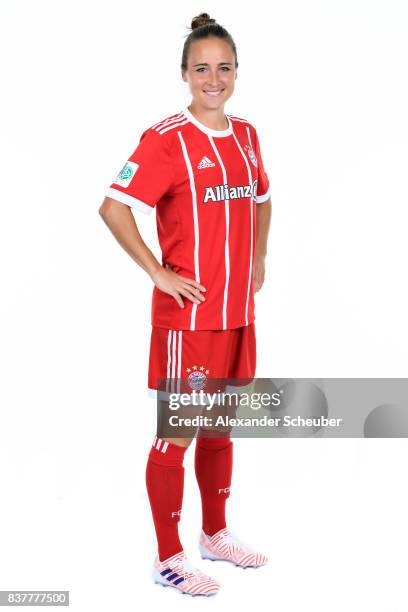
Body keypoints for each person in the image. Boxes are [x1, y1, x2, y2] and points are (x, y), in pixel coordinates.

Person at [99, 12, 272, 597]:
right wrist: (158, 272)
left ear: (236, 74)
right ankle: (168, 557)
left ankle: (214, 534)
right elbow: (114, 207)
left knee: (220, 427)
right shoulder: (165, 139)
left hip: (236, 315)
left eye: (224, 67)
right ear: (184, 74)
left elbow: (264, 199)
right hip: (189, 321)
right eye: (202, 68)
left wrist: (258, 259)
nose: (213, 78)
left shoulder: (246, 135)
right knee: (179, 433)